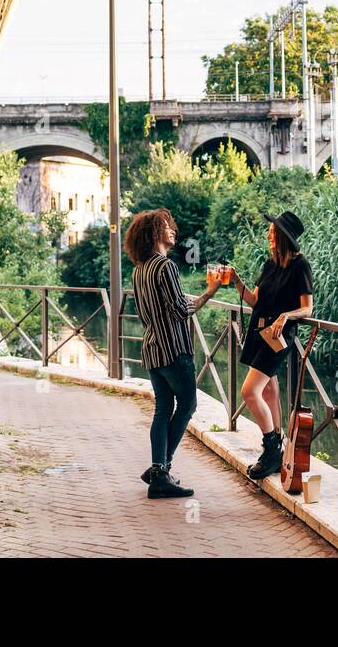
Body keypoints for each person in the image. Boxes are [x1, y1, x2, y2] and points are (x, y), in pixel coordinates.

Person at [125, 207, 220, 499]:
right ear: (154, 233)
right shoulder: (166, 267)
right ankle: (162, 471)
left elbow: (146, 312)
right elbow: (180, 310)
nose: (172, 230)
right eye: (166, 226)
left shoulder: (139, 270)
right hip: (174, 349)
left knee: (163, 409)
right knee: (188, 406)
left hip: (152, 347)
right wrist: (209, 293)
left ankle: (157, 470)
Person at [227, 210, 314, 480]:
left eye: (273, 232)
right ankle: (277, 446)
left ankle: (271, 449)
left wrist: (286, 315)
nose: (268, 234)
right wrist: (236, 280)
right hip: (259, 332)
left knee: (249, 391)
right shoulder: (269, 265)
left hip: (278, 338)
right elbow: (255, 301)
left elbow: (308, 309)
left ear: (283, 237)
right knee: (268, 392)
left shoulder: (300, 265)